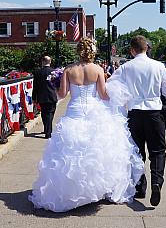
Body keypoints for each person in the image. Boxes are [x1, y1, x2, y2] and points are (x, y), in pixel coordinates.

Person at [29, 37, 144, 213]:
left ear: (78, 51)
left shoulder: (69, 70)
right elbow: (104, 95)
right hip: (94, 111)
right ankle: (94, 190)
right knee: (96, 151)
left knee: (70, 152)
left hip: (74, 112)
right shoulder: (97, 69)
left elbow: (61, 94)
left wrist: (55, 83)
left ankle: (72, 191)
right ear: (92, 51)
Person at [108, 35, 166, 206]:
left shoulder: (126, 67)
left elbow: (110, 85)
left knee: (136, 152)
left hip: (135, 113)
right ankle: (157, 182)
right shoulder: (158, 66)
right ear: (147, 48)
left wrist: (124, 99)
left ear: (132, 50)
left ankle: (140, 186)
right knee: (158, 151)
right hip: (154, 112)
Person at [32, 56, 57, 139]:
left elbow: (35, 86)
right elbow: (58, 85)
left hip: (42, 96)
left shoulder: (37, 72)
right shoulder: (54, 72)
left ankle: (46, 128)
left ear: (43, 62)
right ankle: (48, 132)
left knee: (44, 113)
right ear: (50, 62)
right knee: (50, 113)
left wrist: (34, 97)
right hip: (52, 95)